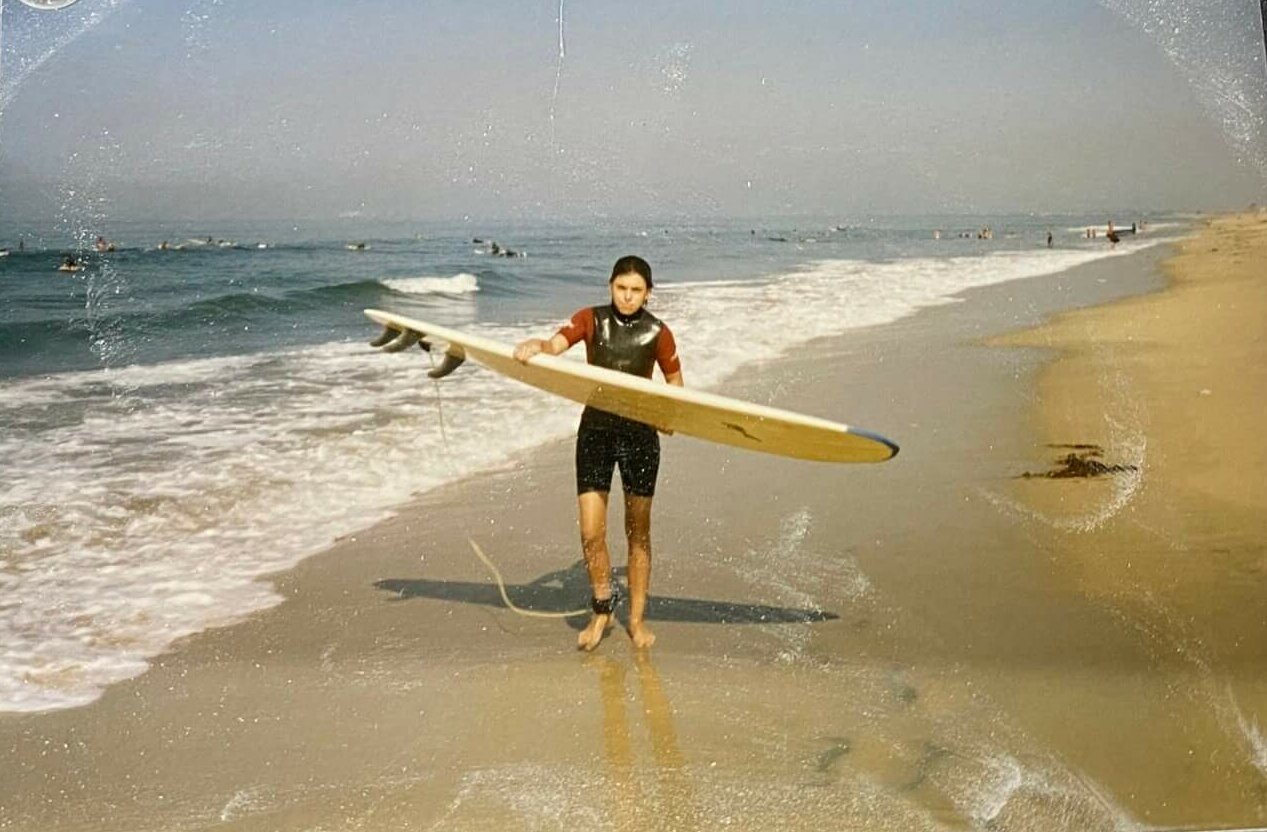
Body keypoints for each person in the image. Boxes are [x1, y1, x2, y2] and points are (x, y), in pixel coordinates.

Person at [513, 255, 683, 651]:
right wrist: (535, 346)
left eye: (636, 290)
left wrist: (669, 413)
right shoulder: (590, 319)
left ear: (648, 293)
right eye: (621, 288)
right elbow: (555, 345)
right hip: (596, 433)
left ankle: (636, 620)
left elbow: (674, 381)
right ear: (610, 286)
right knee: (591, 533)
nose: (627, 297)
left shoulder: (659, 333)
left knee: (637, 533)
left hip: (640, 435)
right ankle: (602, 611)